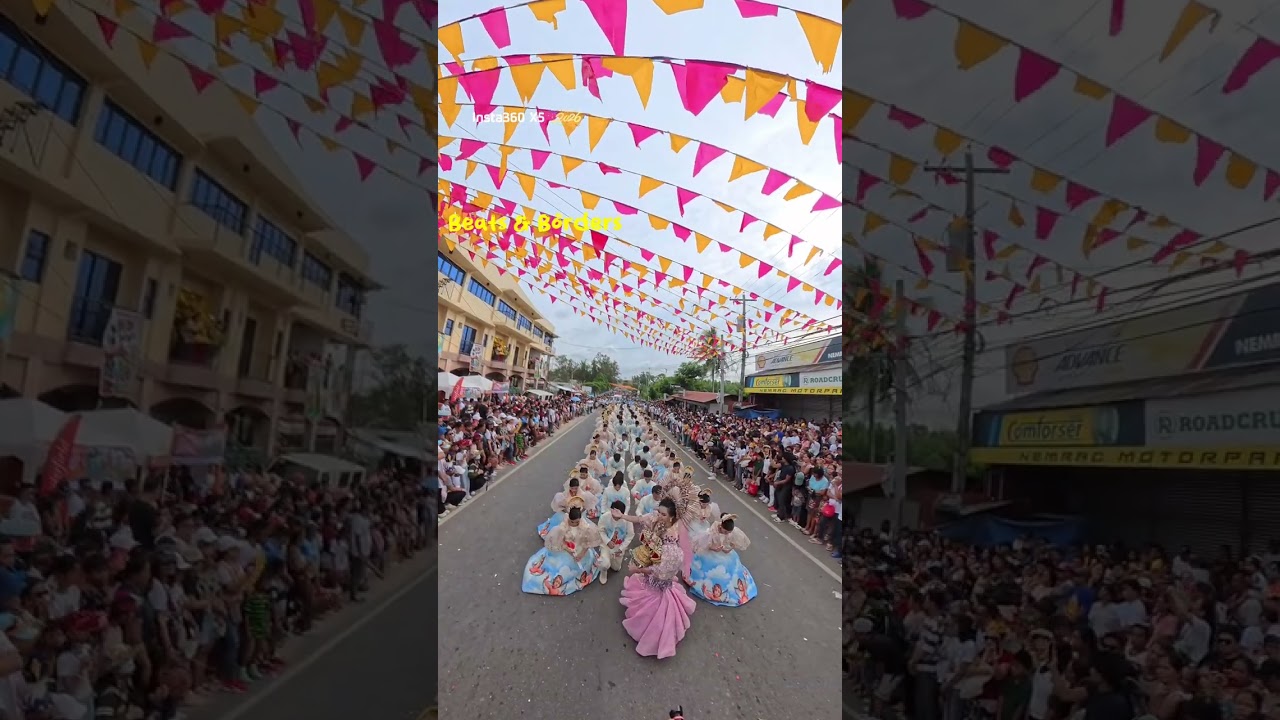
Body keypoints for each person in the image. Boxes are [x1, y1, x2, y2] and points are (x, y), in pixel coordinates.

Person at [612, 499, 696, 659]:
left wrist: (637, 569)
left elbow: (657, 571)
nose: (658, 515)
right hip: (655, 560)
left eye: (663, 514)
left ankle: (653, 635)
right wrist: (622, 515)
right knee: (647, 585)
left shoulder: (671, 541)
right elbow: (640, 519)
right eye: (658, 511)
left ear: (671, 517)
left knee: (656, 599)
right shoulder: (657, 519)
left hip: (662, 570)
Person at [521, 500, 605, 596]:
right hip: (566, 550)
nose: (574, 524)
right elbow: (561, 542)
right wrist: (569, 550)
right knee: (562, 566)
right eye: (572, 522)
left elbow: (587, 543)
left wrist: (581, 554)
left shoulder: (584, 526)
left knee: (580, 566)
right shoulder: (563, 526)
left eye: (577, 522)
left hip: (581, 549)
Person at [688, 514, 756, 607]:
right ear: (721, 526)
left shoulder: (731, 532)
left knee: (732, 563)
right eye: (725, 531)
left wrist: (729, 548)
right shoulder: (712, 532)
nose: (727, 534)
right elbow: (706, 544)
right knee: (713, 565)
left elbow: (732, 543)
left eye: (729, 532)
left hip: (725, 552)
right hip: (711, 553)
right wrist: (714, 549)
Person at [597, 500, 634, 586]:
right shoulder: (605, 517)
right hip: (606, 545)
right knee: (605, 564)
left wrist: (621, 548)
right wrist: (607, 541)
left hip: (618, 547)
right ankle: (603, 572)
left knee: (616, 568)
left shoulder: (627, 520)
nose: (616, 517)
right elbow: (600, 530)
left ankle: (609, 559)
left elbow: (630, 535)